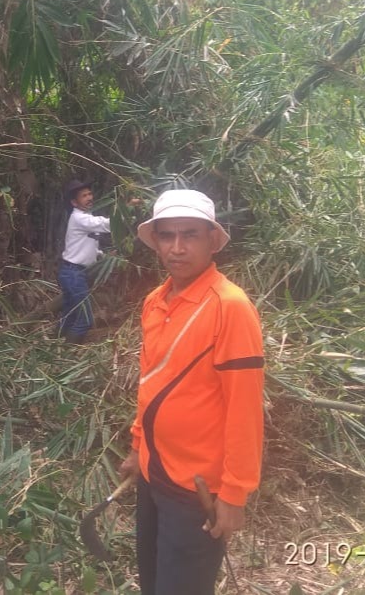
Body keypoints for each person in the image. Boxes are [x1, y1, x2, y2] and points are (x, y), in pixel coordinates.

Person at [119, 189, 265, 595]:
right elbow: (151, 382)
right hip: (154, 473)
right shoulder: (155, 301)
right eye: (167, 236)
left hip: (197, 487)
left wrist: (235, 494)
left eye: (190, 235)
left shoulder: (230, 307)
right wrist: (137, 446)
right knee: (153, 581)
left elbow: (245, 407)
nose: (177, 248)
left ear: (212, 240)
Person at [57, 179, 112, 343]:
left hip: (72, 273)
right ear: (74, 202)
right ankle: (68, 351)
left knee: (70, 314)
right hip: (73, 274)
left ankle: (55, 346)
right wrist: (126, 210)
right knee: (85, 319)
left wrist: (101, 255)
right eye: (84, 196)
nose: (89, 197)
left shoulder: (85, 217)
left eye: (89, 194)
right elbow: (104, 225)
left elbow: (87, 245)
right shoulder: (79, 218)